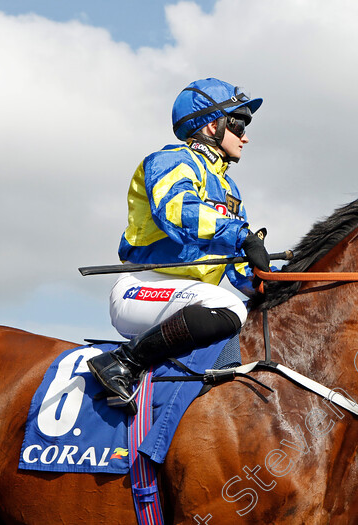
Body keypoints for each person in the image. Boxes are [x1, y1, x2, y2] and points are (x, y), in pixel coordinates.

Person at [87, 78, 271, 414]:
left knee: (260, 314)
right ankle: (122, 362)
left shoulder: (230, 191)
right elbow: (178, 211)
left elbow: (240, 269)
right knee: (230, 307)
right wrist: (242, 235)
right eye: (238, 123)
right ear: (212, 125)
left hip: (190, 299)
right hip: (142, 287)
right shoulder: (171, 160)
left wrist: (274, 282)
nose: (245, 136)